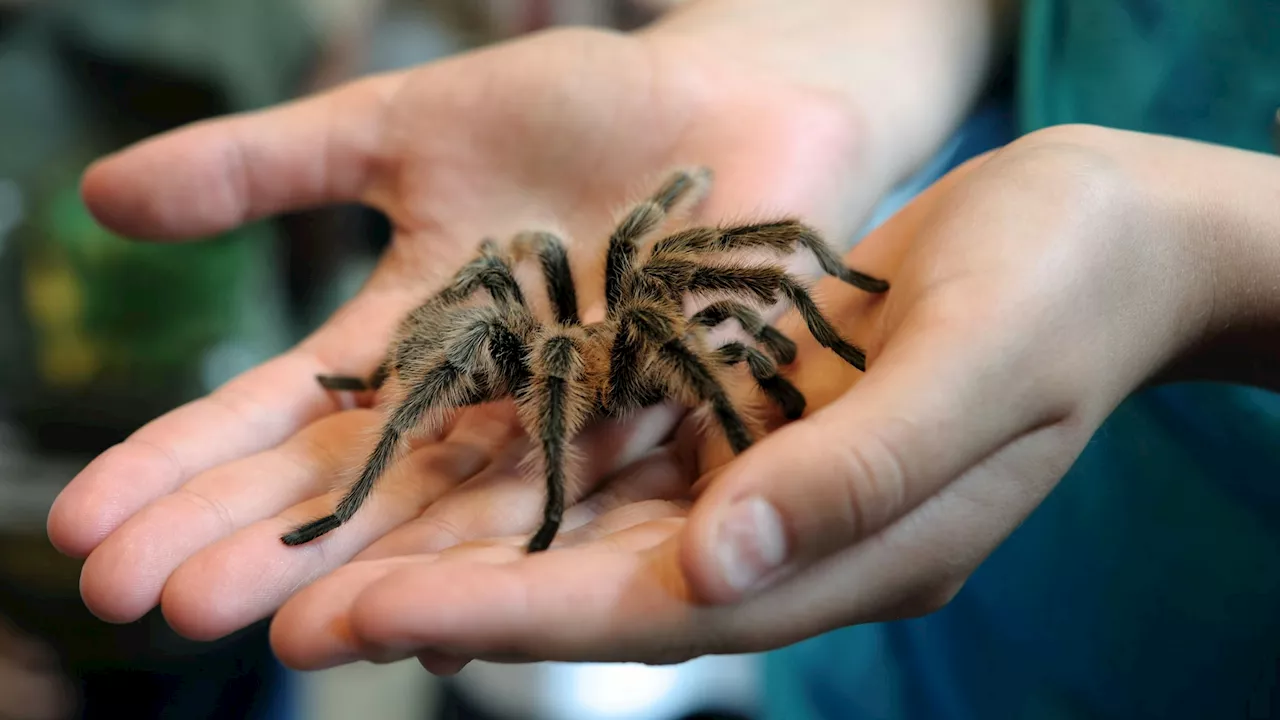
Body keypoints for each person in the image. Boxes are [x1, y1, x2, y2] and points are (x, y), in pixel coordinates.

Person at [44, 0, 1280, 717]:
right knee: (502, 300)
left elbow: (736, 268)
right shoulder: (545, 338)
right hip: (903, 656)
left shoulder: (654, 314)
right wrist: (807, 61)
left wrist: (1195, 260)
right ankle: (373, 447)